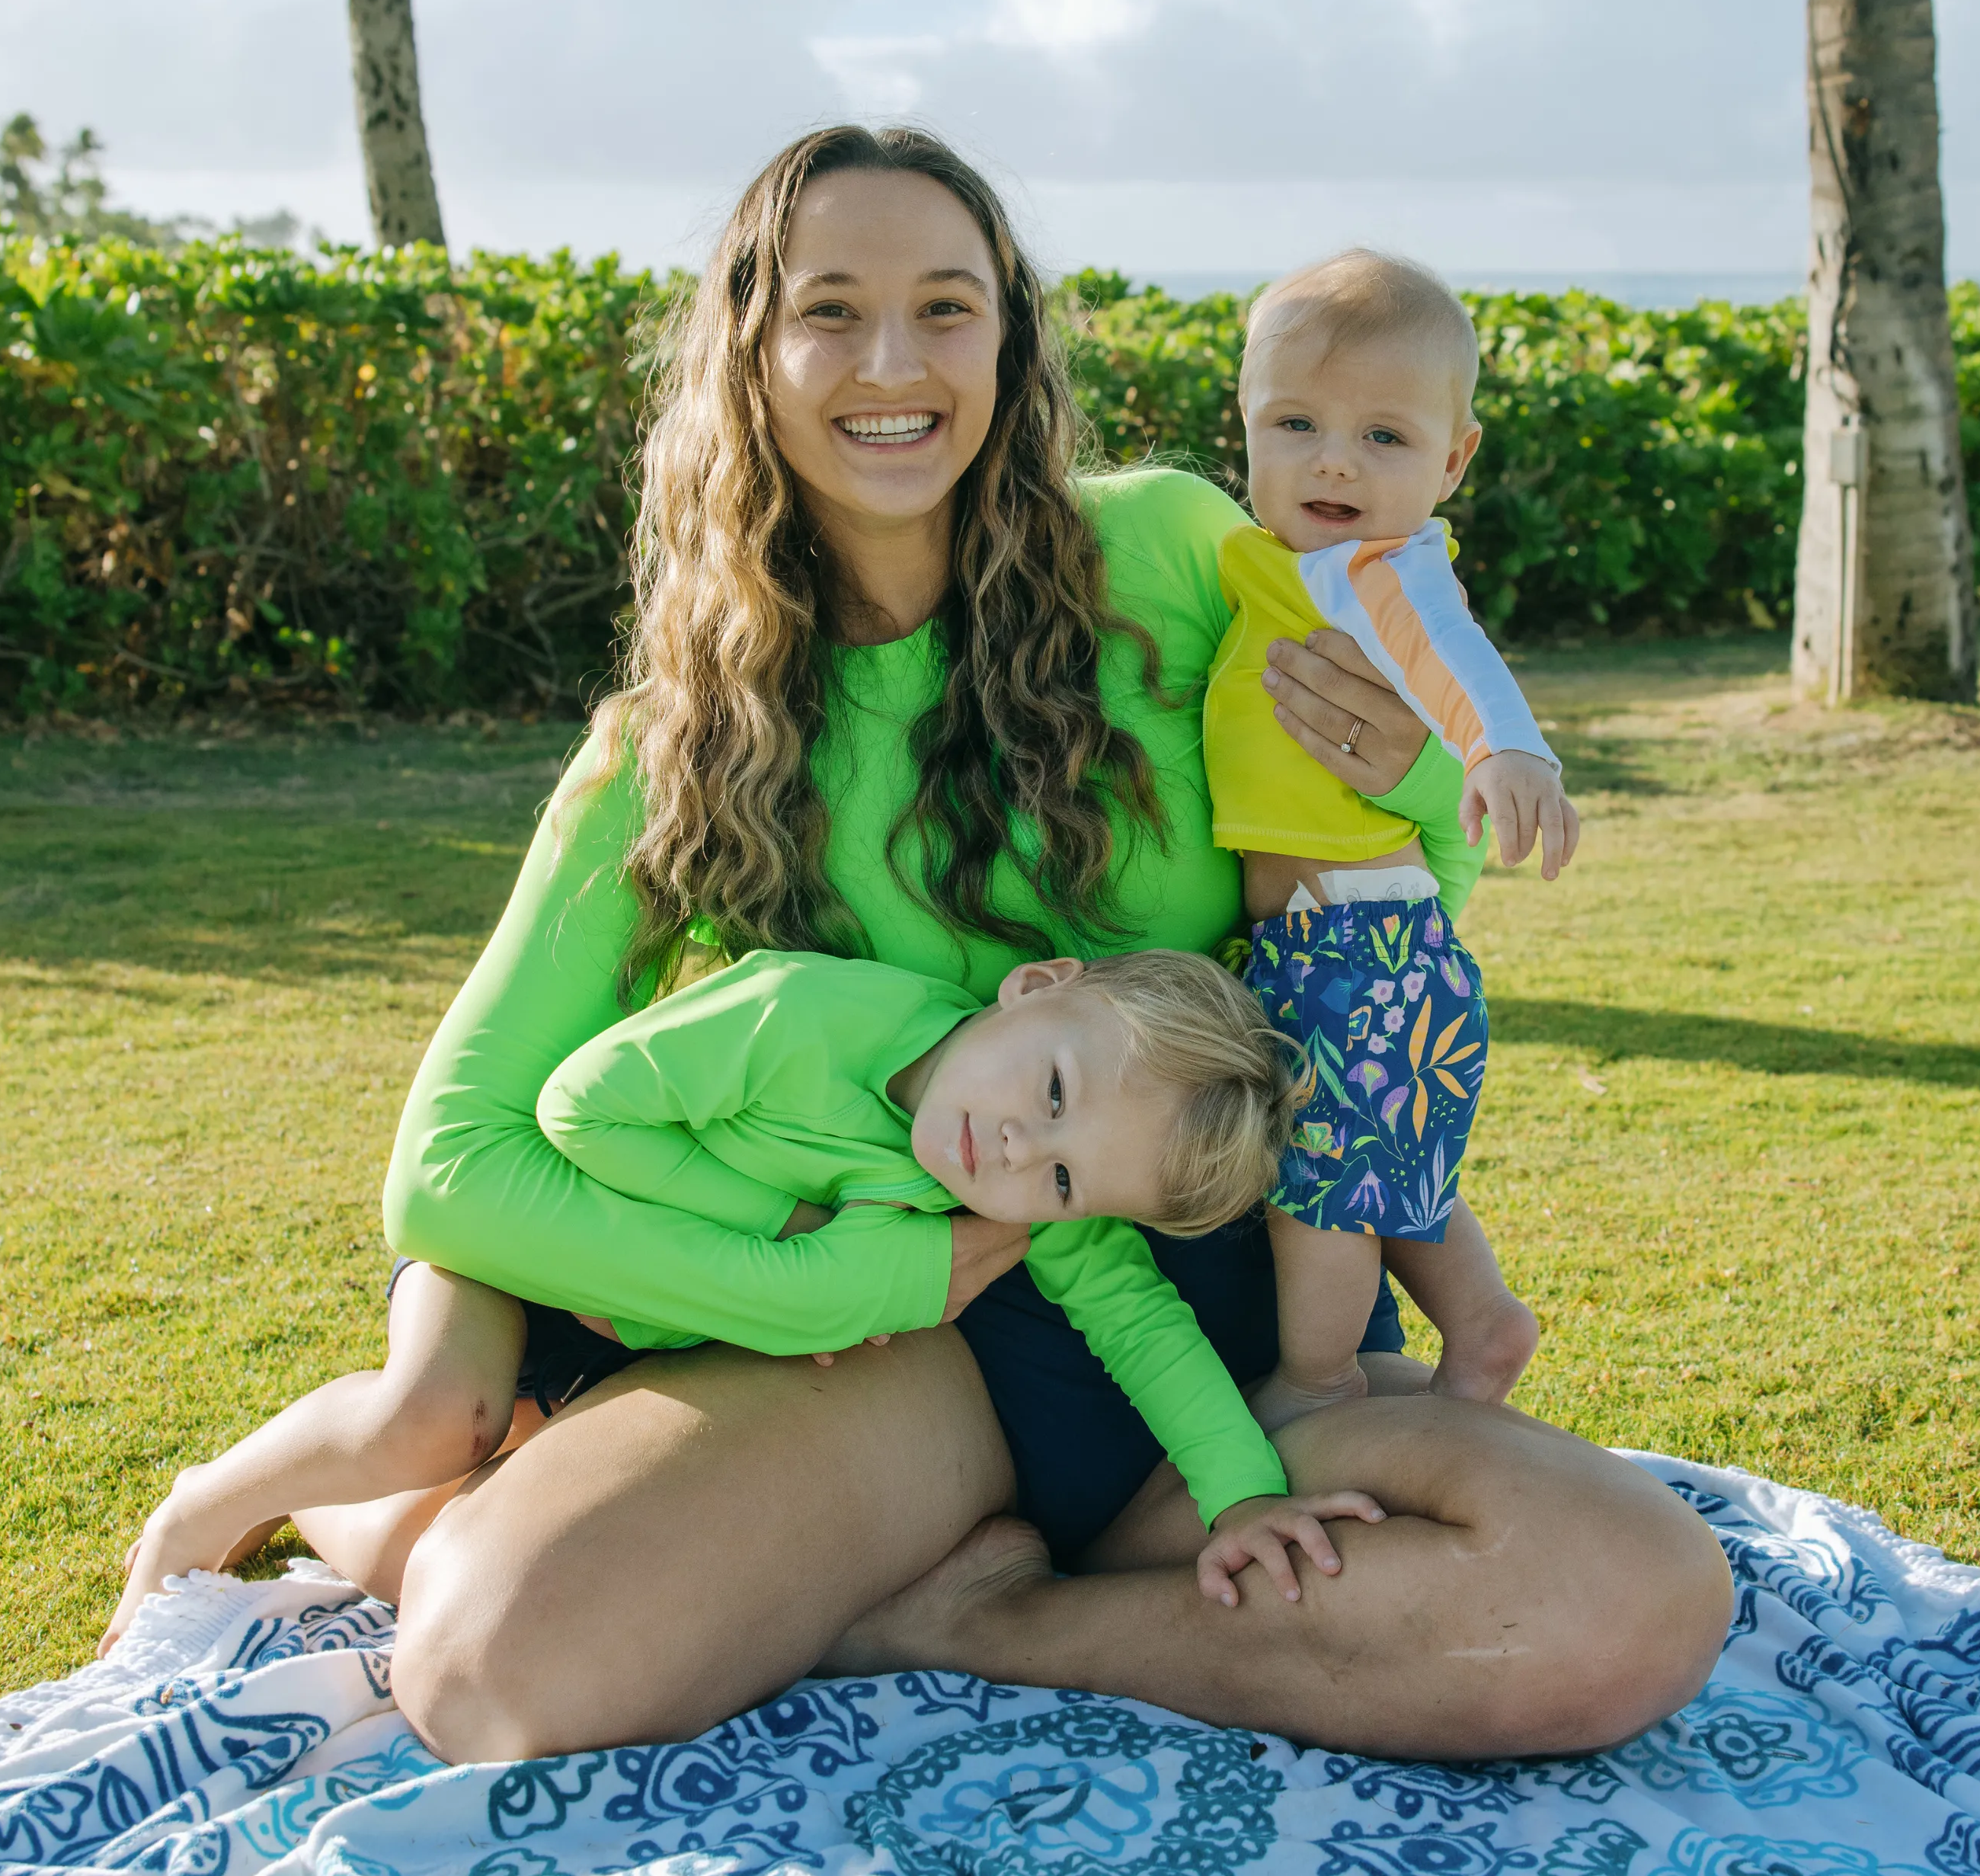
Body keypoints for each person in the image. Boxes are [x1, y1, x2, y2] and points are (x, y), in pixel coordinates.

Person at [283, 124, 1731, 1764]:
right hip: (912, 1357)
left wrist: (1417, 775)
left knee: (1626, 1603)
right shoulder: (669, 745)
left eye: (948, 308)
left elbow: (1380, 915)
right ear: (747, 357)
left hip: (1237, 1331)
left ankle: (988, 1622)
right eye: (831, 309)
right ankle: (561, 1505)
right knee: (500, 1668)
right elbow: (454, 1167)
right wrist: (839, 1280)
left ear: (1010, 338)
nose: (893, 363)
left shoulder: (1182, 556)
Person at [102, 947, 1381, 1651]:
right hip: (530, 1258)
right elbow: (580, 1112)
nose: (1014, 1153)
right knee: (435, 1417)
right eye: (1047, 1093)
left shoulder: (1010, 1211)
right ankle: (198, 1511)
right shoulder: (800, 1017)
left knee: (445, 1537)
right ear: (1038, 984)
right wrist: (781, 1238)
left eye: (1063, 1178)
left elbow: (1143, 1326)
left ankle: (349, 1505)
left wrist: (1243, 1494)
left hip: (652, 1337)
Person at [1206, 249, 1576, 1429]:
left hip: (1348, 953)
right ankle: (1484, 1324)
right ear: (1248, 424)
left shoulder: (1377, 569)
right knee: (1384, 1161)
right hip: (1363, 948)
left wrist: (1509, 750)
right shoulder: (1289, 565)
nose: (1332, 460)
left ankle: (1319, 1381)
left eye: (1384, 439)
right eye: (1298, 422)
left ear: (1453, 459)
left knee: (1314, 1192)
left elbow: (1456, 657)